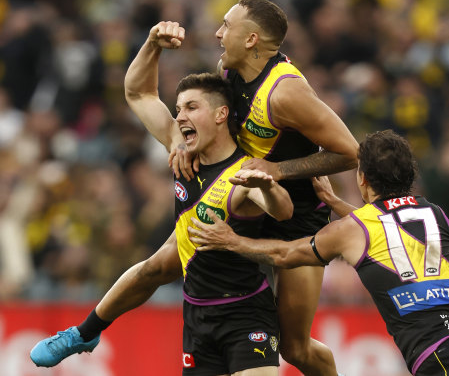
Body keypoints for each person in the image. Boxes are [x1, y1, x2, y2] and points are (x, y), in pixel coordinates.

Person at [31, 0, 358, 376]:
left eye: (226, 26)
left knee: (294, 346)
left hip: (294, 215)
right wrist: (184, 141)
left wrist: (276, 171)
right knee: (160, 265)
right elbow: (158, 101)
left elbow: (349, 152)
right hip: (236, 191)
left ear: (251, 39)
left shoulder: (285, 93)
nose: (218, 34)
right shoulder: (228, 72)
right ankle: (84, 332)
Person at [31, 69, 295, 375]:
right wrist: (154, 43)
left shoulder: (242, 173)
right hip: (197, 315)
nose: (180, 116)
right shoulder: (181, 150)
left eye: (192, 107)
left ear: (222, 113)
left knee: (155, 267)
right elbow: (138, 93)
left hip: (246, 313)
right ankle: (83, 333)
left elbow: (282, 210)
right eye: (179, 108)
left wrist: (266, 185)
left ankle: (83, 333)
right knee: (152, 267)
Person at [189, 130, 449, 376]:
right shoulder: (434, 213)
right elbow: (388, 229)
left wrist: (231, 240)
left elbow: (287, 255)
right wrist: (335, 203)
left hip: (442, 356)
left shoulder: (354, 229)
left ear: (363, 178)